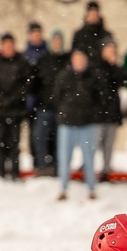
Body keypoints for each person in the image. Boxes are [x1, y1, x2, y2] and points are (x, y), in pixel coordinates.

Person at [0, 32, 32, 181]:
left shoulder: (22, 62)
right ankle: (1, 171)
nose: (9, 48)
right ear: (1, 46)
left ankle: (15, 172)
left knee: (15, 143)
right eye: (6, 45)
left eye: (11, 45)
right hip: (0, 109)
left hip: (16, 109)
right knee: (1, 142)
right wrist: (1, 98)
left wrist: (14, 98)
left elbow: (27, 83)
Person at [53, 49, 100, 201]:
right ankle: (63, 188)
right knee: (64, 157)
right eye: (76, 59)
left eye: (82, 59)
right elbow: (56, 97)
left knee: (89, 157)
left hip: (87, 123)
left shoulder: (92, 77)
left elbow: (99, 98)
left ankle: (91, 187)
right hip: (67, 123)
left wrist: (91, 113)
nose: (79, 63)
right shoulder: (64, 77)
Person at [28, 29, 68, 177]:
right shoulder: (43, 60)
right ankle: (43, 166)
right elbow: (34, 83)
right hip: (44, 107)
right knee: (39, 136)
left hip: (62, 108)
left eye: (59, 41)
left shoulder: (67, 60)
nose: (57, 44)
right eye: (54, 41)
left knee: (60, 140)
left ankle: (58, 168)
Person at [94, 40, 127, 183]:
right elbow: (100, 84)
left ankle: (106, 169)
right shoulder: (96, 68)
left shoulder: (116, 69)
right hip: (99, 112)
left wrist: (114, 65)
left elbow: (122, 80)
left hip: (112, 112)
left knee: (109, 144)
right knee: (96, 142)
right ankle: (90, 167)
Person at [70, 0, 112, 65]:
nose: (93, 16)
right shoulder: (79, 35)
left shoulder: (106, 35)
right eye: (91, 13)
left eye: (94, 13)